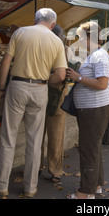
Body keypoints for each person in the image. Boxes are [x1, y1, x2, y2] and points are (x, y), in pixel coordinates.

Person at [0, 8, 67, 198]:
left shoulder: (20, 32)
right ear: (53, 24)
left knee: (8, 138)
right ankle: (30, 188)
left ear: (35, 19)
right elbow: (61, 75)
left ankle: (1, 184)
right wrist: (45, 80)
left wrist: (1, 88)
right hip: (40, 90)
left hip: (17, 87)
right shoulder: (56, 41)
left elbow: (5, 63)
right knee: (35, 141)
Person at [65, 21, 109, 199]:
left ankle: (85, 192)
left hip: (94, 108)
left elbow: (102, 83)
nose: (78, 40)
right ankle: (96, 185)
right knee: (93, 148)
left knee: (88, 149)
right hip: (93, 107)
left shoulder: (99, 56)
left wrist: (78, 77)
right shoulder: (96, 55)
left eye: (80, 37)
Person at [40, 25, 69, 183]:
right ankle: (55, 170)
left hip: (44, 91)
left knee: (37, 134)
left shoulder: (42, 46)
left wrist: (42, 81)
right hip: (57, 93)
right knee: (56, 135)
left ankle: (36, 166)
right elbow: (62, 75)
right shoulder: (62, 48)